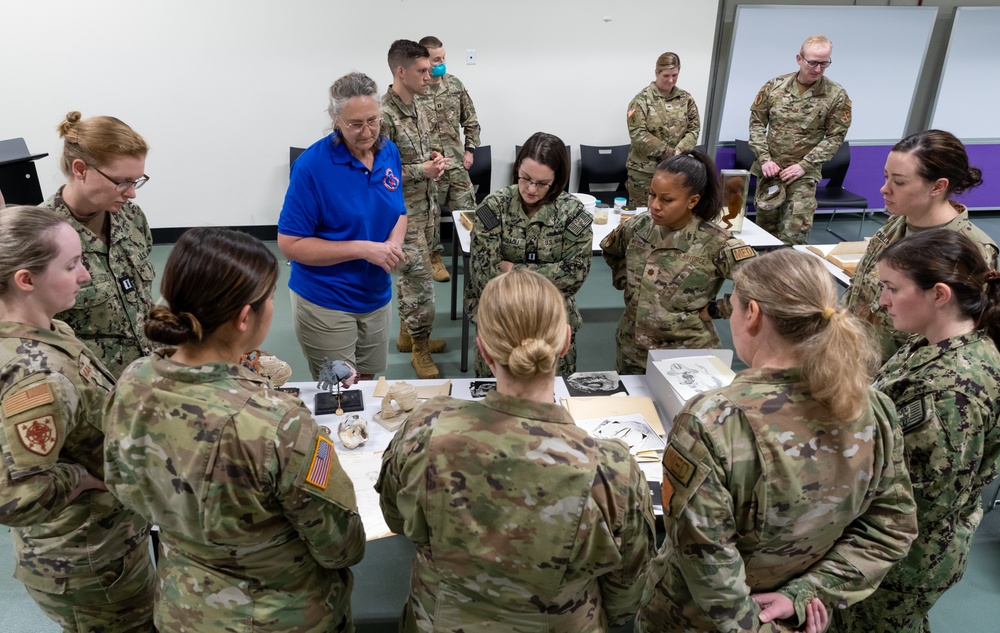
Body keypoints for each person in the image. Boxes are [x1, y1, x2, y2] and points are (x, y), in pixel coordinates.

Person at [637, 248, 918, 633]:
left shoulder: (713, 420)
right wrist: (808, 593)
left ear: (752, 314)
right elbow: (891, 527)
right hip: (799, 614)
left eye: (733, 307)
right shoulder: (874, 406)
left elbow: (707, 564)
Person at [103, 227, 365, 633]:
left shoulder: (135, 381)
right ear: (246, 317)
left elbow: (122, 484)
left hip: (182, 607)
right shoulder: (279, 423)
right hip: (278, 617)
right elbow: (340, 546)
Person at [377, 269, 655, 631]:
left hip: (441, 619)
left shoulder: (422, 432)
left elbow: (396, 520)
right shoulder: (612, 470)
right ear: (566, 342)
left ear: (483, 349)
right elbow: (627, 589)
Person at [835, 230, 1000, 633]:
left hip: (898, 564)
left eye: (892, 288)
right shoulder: (930, 343)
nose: (881, 300)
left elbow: (921, 503)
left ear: (939, 294)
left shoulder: (951, 391)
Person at [0, 206, 155, 632]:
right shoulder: (38, 378)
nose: (86, 275)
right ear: (26, 280)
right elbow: (14, 496)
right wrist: (81, 478)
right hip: (92, 559)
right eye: (71, 265)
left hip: (101, 538)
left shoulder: (50, 330)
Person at [279, 71, 407, 381]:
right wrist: (362, 250)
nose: (367, 132)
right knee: (341, 390)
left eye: (373, 120)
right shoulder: (312, 168)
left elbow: (399, 211)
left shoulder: (388, 151)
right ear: (335, 118)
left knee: (368, 383)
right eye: (355, 124)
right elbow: (290, 245)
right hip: (327, 301)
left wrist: (394, 244)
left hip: (376, 298)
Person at [842, 129, 998, 361]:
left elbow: (962, 340)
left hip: (898, 375)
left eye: (899, 182)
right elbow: (861, 288)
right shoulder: (898, 221)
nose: (884, 189)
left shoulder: (970, 249)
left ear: (937, 187)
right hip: (854, 355)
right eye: (886, 177)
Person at [601, 149, 757, 375]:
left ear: (693, 200)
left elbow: (764, 286)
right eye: (652, 195)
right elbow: (611, 249)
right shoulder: (639, 226)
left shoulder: (715, 242)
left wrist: (718, 309)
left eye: (667, 200)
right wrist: (626, 280)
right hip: (632, 350)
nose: (655, 205)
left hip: (685, 355)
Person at [40, 111, 155, 378]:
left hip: (149, 377)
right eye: (122, 182)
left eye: (136, 180)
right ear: (80, 170)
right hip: (95, 390)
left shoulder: (132, 218)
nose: (132, 192)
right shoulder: (40, 236)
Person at [468, 132, 592, 377]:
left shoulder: (572, 213)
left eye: (542, 183)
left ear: (557, 181)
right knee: (495, 401)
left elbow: (574, 275)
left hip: (551, 325)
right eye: (525, 178)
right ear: (517, 170)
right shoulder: (494, 207)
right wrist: (545, 273)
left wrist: (513, 269)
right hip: (501, 322)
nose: (531, 189)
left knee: (550, 403)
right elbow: (484, 275)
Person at [382, 39, 448, 379]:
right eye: (422, 70)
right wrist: (421, 170)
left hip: (426, 208)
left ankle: (408, 335)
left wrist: (434, 157)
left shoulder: (419, 106)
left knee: (410, 280)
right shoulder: (383, 117)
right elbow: (380, 174)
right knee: (420, 282)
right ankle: (419, 351)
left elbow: (422, 149)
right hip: (400, 214)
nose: (430, 75)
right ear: (401, 71)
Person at [748, 35, 851, 245]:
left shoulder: (836, 95)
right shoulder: (775, 86)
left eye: (824, 63)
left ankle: (789, 278)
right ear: (799, 59)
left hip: (803, 174)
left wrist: (804, 165)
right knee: (764, 234)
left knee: (793, 236)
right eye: (813, 62)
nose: (818, 69)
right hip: (771, 171)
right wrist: (765, 159)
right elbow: (757, 122)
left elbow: (834, 136)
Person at [418, 35, 482, 283]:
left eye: (444, 57)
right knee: (431, 217)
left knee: (469, 212)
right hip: (431, 168)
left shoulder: (454, 84)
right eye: (437, 59)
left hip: (455, 164)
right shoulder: (416, 89)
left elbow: (471, 120)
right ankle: (434, 259)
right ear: (424, 60)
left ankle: (474, 255)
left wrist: (470, 150)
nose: (442, 62)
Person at [625, 52, 701, 207]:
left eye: (675, 75)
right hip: (645, 172)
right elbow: (638, 136)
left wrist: (680, 151)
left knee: (671, 215)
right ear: (656, 72)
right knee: (644, 218)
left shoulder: (686, 99)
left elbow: (694, 129)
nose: (671, 80)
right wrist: (672, 154)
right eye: (666, 75)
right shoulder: (641, 100)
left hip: (676, 171)